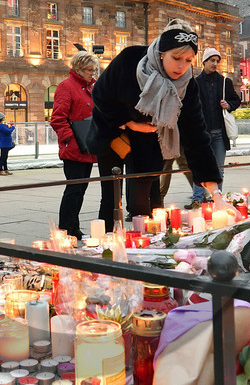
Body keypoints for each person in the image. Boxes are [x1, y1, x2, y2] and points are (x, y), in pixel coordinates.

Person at [90, 24, 222, 219]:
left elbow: (195, 133)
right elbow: (100, 94)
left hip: (149, 139)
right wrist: (129, 123)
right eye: (176, 58)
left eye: (188, 60)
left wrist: (216, 193)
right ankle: (108, 235)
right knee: (111, 196)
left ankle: (140, 234)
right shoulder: (130, 58)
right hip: (113, 131)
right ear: (161, 54)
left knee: (141, 200)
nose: (182, 66)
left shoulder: (187, 84)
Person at [49, 51, 112, 239]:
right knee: (73, 190)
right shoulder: (66, 87)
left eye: (94, 70)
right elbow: (57, 118)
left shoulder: (92, 87)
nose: (92, 73)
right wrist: (70, 139)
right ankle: (65, 229)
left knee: (80, 190)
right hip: (74, 148)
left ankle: (74, 228)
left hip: (87, 147)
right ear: (78, 68)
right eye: (89, 70)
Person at [193, 47, 241, 203]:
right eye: (212, 60)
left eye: (217, 61)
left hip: (220, 133)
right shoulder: (195, 82)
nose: (215, 64)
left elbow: (236, 100)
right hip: (202, 133)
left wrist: (229, 105)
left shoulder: (224, 82)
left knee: (219, 168)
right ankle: (197, 199)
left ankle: (217, 199)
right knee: (200, 167)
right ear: (204, 61)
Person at [0, 111, 16, 175]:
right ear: (2, 118)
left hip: (6, 143)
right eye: (4, 118)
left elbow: (7, 130)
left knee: (5, 157)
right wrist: (12, 127)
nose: (5, 119)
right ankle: (1, 170)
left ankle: (5, 169)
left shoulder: (3, 125)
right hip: (4, 144)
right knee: (3, 157)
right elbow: (8, 131)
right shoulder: (1, 126)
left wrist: (9, 126)